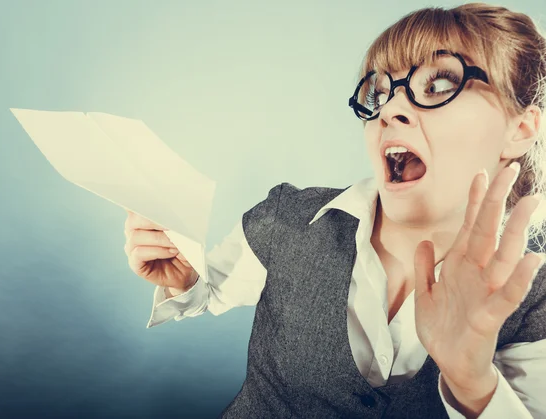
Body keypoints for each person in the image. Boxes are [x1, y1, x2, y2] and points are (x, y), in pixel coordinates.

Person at [124, 3, 546, 418]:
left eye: (437, 86)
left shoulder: (536, 293)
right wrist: (185, 280)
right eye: (379, 93)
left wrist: (472, 383)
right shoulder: (288, 218)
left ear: (520, 129)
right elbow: (208, 292)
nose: (389, 111)